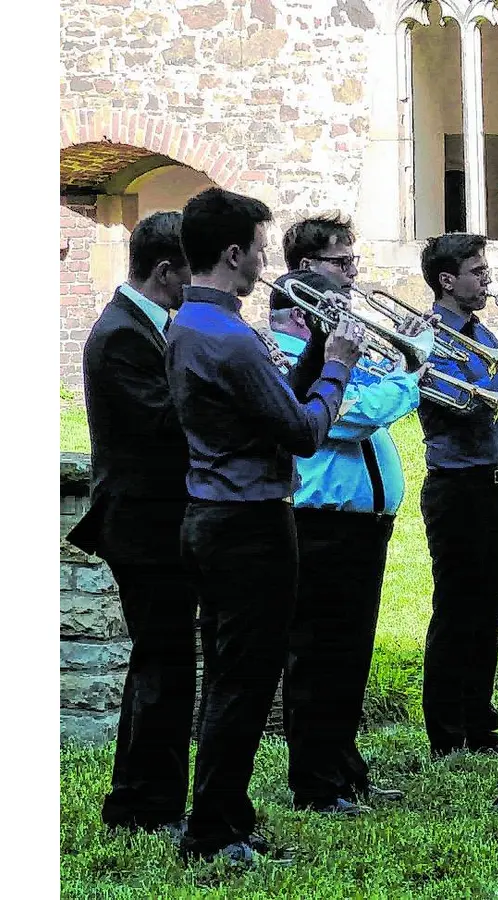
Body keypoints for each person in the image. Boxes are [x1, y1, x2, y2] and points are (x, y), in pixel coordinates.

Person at [165, 187, 363, 865]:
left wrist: (313, 358)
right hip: (249, 525)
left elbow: (275, 404)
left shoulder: (193, 322)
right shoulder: (227, 337)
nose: (261, 260)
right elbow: (305, 431)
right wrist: (337, 362)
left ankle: (225, 821)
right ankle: (213, 832)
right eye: (256, 247)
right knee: (243, 686)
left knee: (231, 678)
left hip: (214, 519)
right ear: (232, 252)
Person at [269, 214, 428, 814]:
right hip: (322, 523)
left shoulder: (341, 341)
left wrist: (398, 363)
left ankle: (345, 771)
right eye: (343, 263)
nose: (354, 273)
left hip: (361, 524)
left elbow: (366, 392)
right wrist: (411, 375)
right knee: (320, 654)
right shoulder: (288, 349)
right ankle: (316, 783)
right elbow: (348, 414)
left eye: (354, 261)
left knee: (350, 652)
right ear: (307, 269)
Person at [66, 211, 195, 840]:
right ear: (165, 271)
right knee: (162, 665)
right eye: (189, 275)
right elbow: (163, 428)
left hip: (162, 518)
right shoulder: (119, 335)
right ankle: (145, 804)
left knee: (167, 663)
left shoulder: (152, 328)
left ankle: (148, 797)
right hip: (143, 523)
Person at [415, 232, 498, 759]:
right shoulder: (430, 338)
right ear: (448, 280)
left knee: (488, 609)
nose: (487, 279)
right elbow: (475, 401)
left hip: (490, 482)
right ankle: (447, 732)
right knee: (456, 609)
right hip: (455, 485)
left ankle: (479, 724)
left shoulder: (479, 331)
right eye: (477, 271)